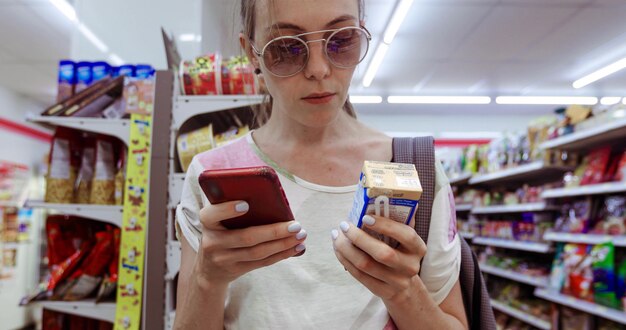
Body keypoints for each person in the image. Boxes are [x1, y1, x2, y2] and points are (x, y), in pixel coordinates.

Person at [174, 0, 468, 329]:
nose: (319, 69)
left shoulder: (416, 171)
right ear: (251, 53)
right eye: (285, 47)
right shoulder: (212, 175)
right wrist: (207, 279)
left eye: (341, 40)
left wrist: (403, 291)